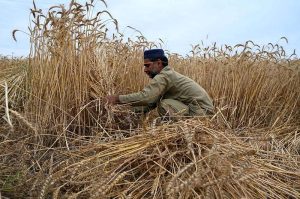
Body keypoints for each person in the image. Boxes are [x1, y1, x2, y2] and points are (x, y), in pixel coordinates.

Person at [105, 49, 214, 119]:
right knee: (163, 103)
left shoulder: (164, 76)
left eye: (147, 65)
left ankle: (178, 135)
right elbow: (151, 104)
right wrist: (126, 113)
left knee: (165, 104)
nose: (145, 70)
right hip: (202, 112)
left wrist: (117, 99)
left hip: (200, 114)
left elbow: (146, 97)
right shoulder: (168, 76)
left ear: (158, 63)